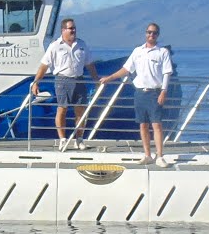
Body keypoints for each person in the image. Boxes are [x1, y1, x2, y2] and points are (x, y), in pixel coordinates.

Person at [99, 22, 174, 165]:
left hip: (155, 93)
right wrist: (109, 78)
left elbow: (167, 73)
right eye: (149, 32)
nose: (151, 35)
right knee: (143, 125)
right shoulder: (138, 51)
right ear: (145, 33)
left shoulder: (162, 52)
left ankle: (159, 156)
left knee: (157, 125)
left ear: (158, 35)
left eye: (154, 33)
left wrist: (163, 91)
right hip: (140, 93)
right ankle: (147, 155)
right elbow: (126, 69)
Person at [31, 18, 102, 145]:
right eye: (70, 28)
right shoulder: (55, 46)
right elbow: (44, 66)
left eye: (74, 28)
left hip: (79, 80)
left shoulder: (81, 44)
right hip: (62, 80)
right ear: (63, 30)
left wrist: (96, 80)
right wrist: (36, 82)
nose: (73, 30)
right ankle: (62, 139)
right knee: (62, 109)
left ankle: (79, 139)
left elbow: (90, 64)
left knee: (80, 111)